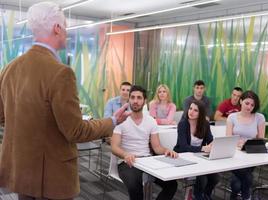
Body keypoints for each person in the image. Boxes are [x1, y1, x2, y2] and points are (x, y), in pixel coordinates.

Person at [0, 2, 130, 200]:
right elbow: (75, 131)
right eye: (65, 26)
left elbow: (4, 118)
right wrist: (112, 121)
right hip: (52, 179)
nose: (67, 31)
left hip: (21, 173)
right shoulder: (61, 73)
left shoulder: (9, 69)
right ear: (57, 28)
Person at [111, 85, 178, 200]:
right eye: (132, 97)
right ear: (129, 100)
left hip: (147, 160)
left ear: (144, 101)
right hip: (127, 162)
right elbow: (114, 147)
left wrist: (166, 150)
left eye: (139, 98)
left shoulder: (151, 121)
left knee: (172, 184)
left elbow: (156, 147)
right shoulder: (122, 120)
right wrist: (125, 154)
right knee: (135, 187)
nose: (135, 101)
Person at [174, 100, 219, 200]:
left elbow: (210, 139)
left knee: (215, 178)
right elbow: (184, 147)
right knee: (202, 179)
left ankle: (206, 195)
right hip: (183, 156)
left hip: (199, 157)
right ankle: (197, 195)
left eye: (195, 110)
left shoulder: (205, 124)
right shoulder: (183, 124)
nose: (191, 112)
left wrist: (213, 144)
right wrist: (203, 148)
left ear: (201, 113)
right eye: (190, 109)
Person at [226, 90, 265, 200]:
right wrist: (239, 143)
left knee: (238, 183)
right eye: (247, 103)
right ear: (241, 101)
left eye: (252, 105)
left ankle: (234, 197)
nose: (249, 107)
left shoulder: (259, 117)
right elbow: (228, 139)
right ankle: (247, 197)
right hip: (235, 155)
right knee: (245, 180)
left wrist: (247, 143)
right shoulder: (232, 117)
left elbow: (261, 140)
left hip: (251, 154)